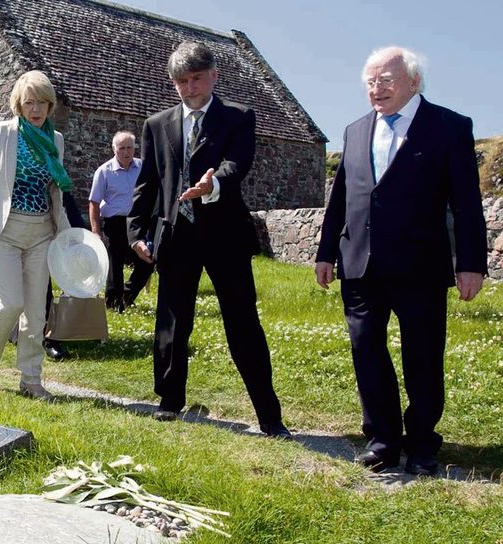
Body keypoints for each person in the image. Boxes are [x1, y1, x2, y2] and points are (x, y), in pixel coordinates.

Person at [315, 46, 487, 476]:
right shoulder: (355, 131)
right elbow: (340, 198)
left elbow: (467, 203)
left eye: (386, 80)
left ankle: (423, 443)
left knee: (423, 355)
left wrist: (470, 263)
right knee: (365, 351)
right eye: (371, 82)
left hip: (420, 266)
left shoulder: (449, 127)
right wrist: (325, 253)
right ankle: (382, 439)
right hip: (360, 264)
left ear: (413, 81)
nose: (377, 89)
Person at [127, 42, 290, 438]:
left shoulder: (237, 117)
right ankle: (169, 400)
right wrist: (135, 230)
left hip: (225, 235)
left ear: (214, 76)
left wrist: (213, 183)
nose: (189, 87)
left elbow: (238, 164)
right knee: (171, 321)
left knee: (242, 322)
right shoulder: (156, 124)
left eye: (196, 78)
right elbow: (147, 181)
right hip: (175, 234)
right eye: (181, 81)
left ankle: (269, 415)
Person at [0, 70, 72, 400]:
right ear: (19, 104)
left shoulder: (56, 140)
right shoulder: (1, 133)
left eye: (43, 102)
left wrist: (66, 233)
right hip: (4, 232)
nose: (37, 109)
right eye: (30, 102)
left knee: (37, 313)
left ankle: (31, 379)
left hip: (42, 232)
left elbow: (56, 191)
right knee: (10, 305)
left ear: (51, 105)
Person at [89, 131, 152, 311]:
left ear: (134, 148)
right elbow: (94, 202)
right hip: (114, 223)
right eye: (122, 148)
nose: (126, 152)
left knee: (147, 260)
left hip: (138, 222)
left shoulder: (143, 167)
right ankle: (113, 303)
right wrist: (96, 231)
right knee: (114, 264)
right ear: (114, 149)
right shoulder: (104, 171)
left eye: (129, 148)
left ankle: (127, 295)